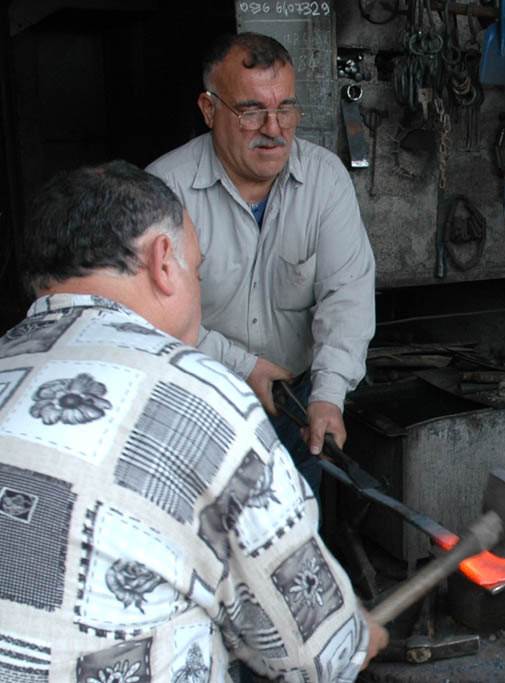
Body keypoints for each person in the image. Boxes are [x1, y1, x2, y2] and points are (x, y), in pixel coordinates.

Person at [0, 161, 386, 681]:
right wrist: (352, 636)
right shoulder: (199, 398)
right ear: (163, 262)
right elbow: (314, 656)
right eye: (196, 270)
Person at [147, 32, 375, 496]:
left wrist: (329, 395)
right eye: (251, 111)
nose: (273, 129)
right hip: (199, 403)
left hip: (296, 402)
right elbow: (150, 317)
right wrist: (242, 365)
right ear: (209, 109)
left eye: (285, 108)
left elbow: (347, 294)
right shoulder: (165, 190)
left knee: (295, 519)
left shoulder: (325, 181)